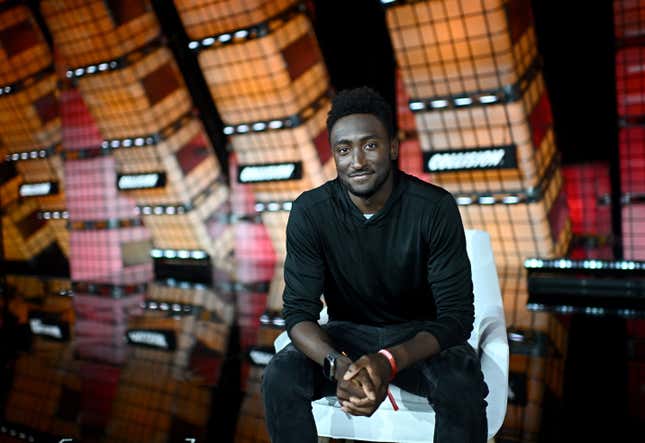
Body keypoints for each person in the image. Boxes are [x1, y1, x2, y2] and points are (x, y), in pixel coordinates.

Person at [262, 86, 488, 443]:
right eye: (344, 149)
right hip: (346, 334)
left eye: (370, 145)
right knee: (280, 376)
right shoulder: (310, 211)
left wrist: (388, 360)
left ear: (393, 148)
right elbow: (298, 315)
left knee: (460, 380)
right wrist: (339, 367)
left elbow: (456, 318)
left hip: (419, 338)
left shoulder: (434, 208)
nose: (357, 161)